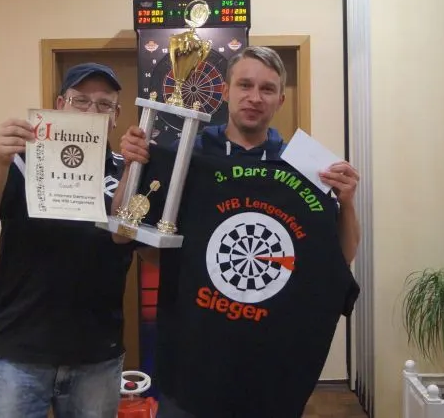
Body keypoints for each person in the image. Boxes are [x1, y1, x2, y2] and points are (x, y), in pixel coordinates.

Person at [113, 46, 362, 417]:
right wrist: (132, 168)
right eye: (245, 85)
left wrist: (347, 203)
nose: (254, 97)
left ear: (280, 100)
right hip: (192, 364)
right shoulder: (187, 155)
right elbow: (123, 234)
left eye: (267, 89)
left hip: (269, 372)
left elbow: (340, 258)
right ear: (226, 91)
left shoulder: (303, 167)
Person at [0, 62, 134, 418]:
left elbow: (127, 237)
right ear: (60, 105)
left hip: (96, 353)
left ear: (115, 117)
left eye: (104, 104)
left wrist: (136, 167)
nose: (91, 111)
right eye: (80, 100)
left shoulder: (125, 171)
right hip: (18, 350)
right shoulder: (22, 162)